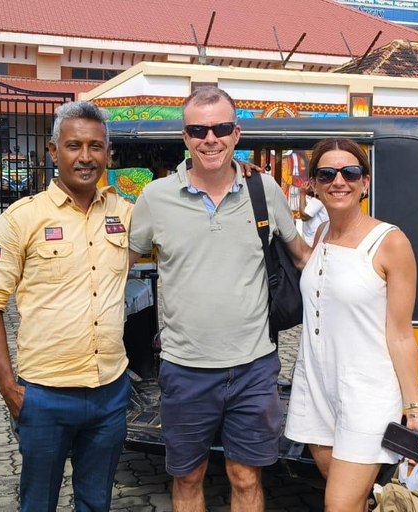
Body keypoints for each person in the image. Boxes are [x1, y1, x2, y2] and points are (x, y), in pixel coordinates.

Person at [128, 86, 311, 511]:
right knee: (187, 476)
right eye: (198, 130)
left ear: (236, 133)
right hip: (185, 368)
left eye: (221, 128)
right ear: (185, 138)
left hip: (253, 367)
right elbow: (119, 262)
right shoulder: (155, 198)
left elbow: (304, 257)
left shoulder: (264, 189)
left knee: (245, 478)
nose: (210, 138)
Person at [0, 101, 134, 512]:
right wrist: (9, 387)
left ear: (108, 153)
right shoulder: (22, 218)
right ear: (52, 150)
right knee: (38, 503)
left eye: (96, 146)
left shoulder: (127, 213)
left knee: (96, 502)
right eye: (74, 145)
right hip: (44, 396)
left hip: (109, 393)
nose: (86, 157)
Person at [284, 138, 418, 511]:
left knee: (339, 505)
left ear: (365, 182)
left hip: (367, 394)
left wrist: (415, 411)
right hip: (315, 387)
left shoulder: (390, 242)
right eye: (326, 173)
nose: (339, 181)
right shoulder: (319, 235)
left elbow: (400, 334)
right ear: (313, 184)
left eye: (350, 172)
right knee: (354, 501)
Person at [299, 181, 328, 246]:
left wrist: (302, 194)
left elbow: (304, 216)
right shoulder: (315, 198)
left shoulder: (319, 199)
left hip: (312, 242)